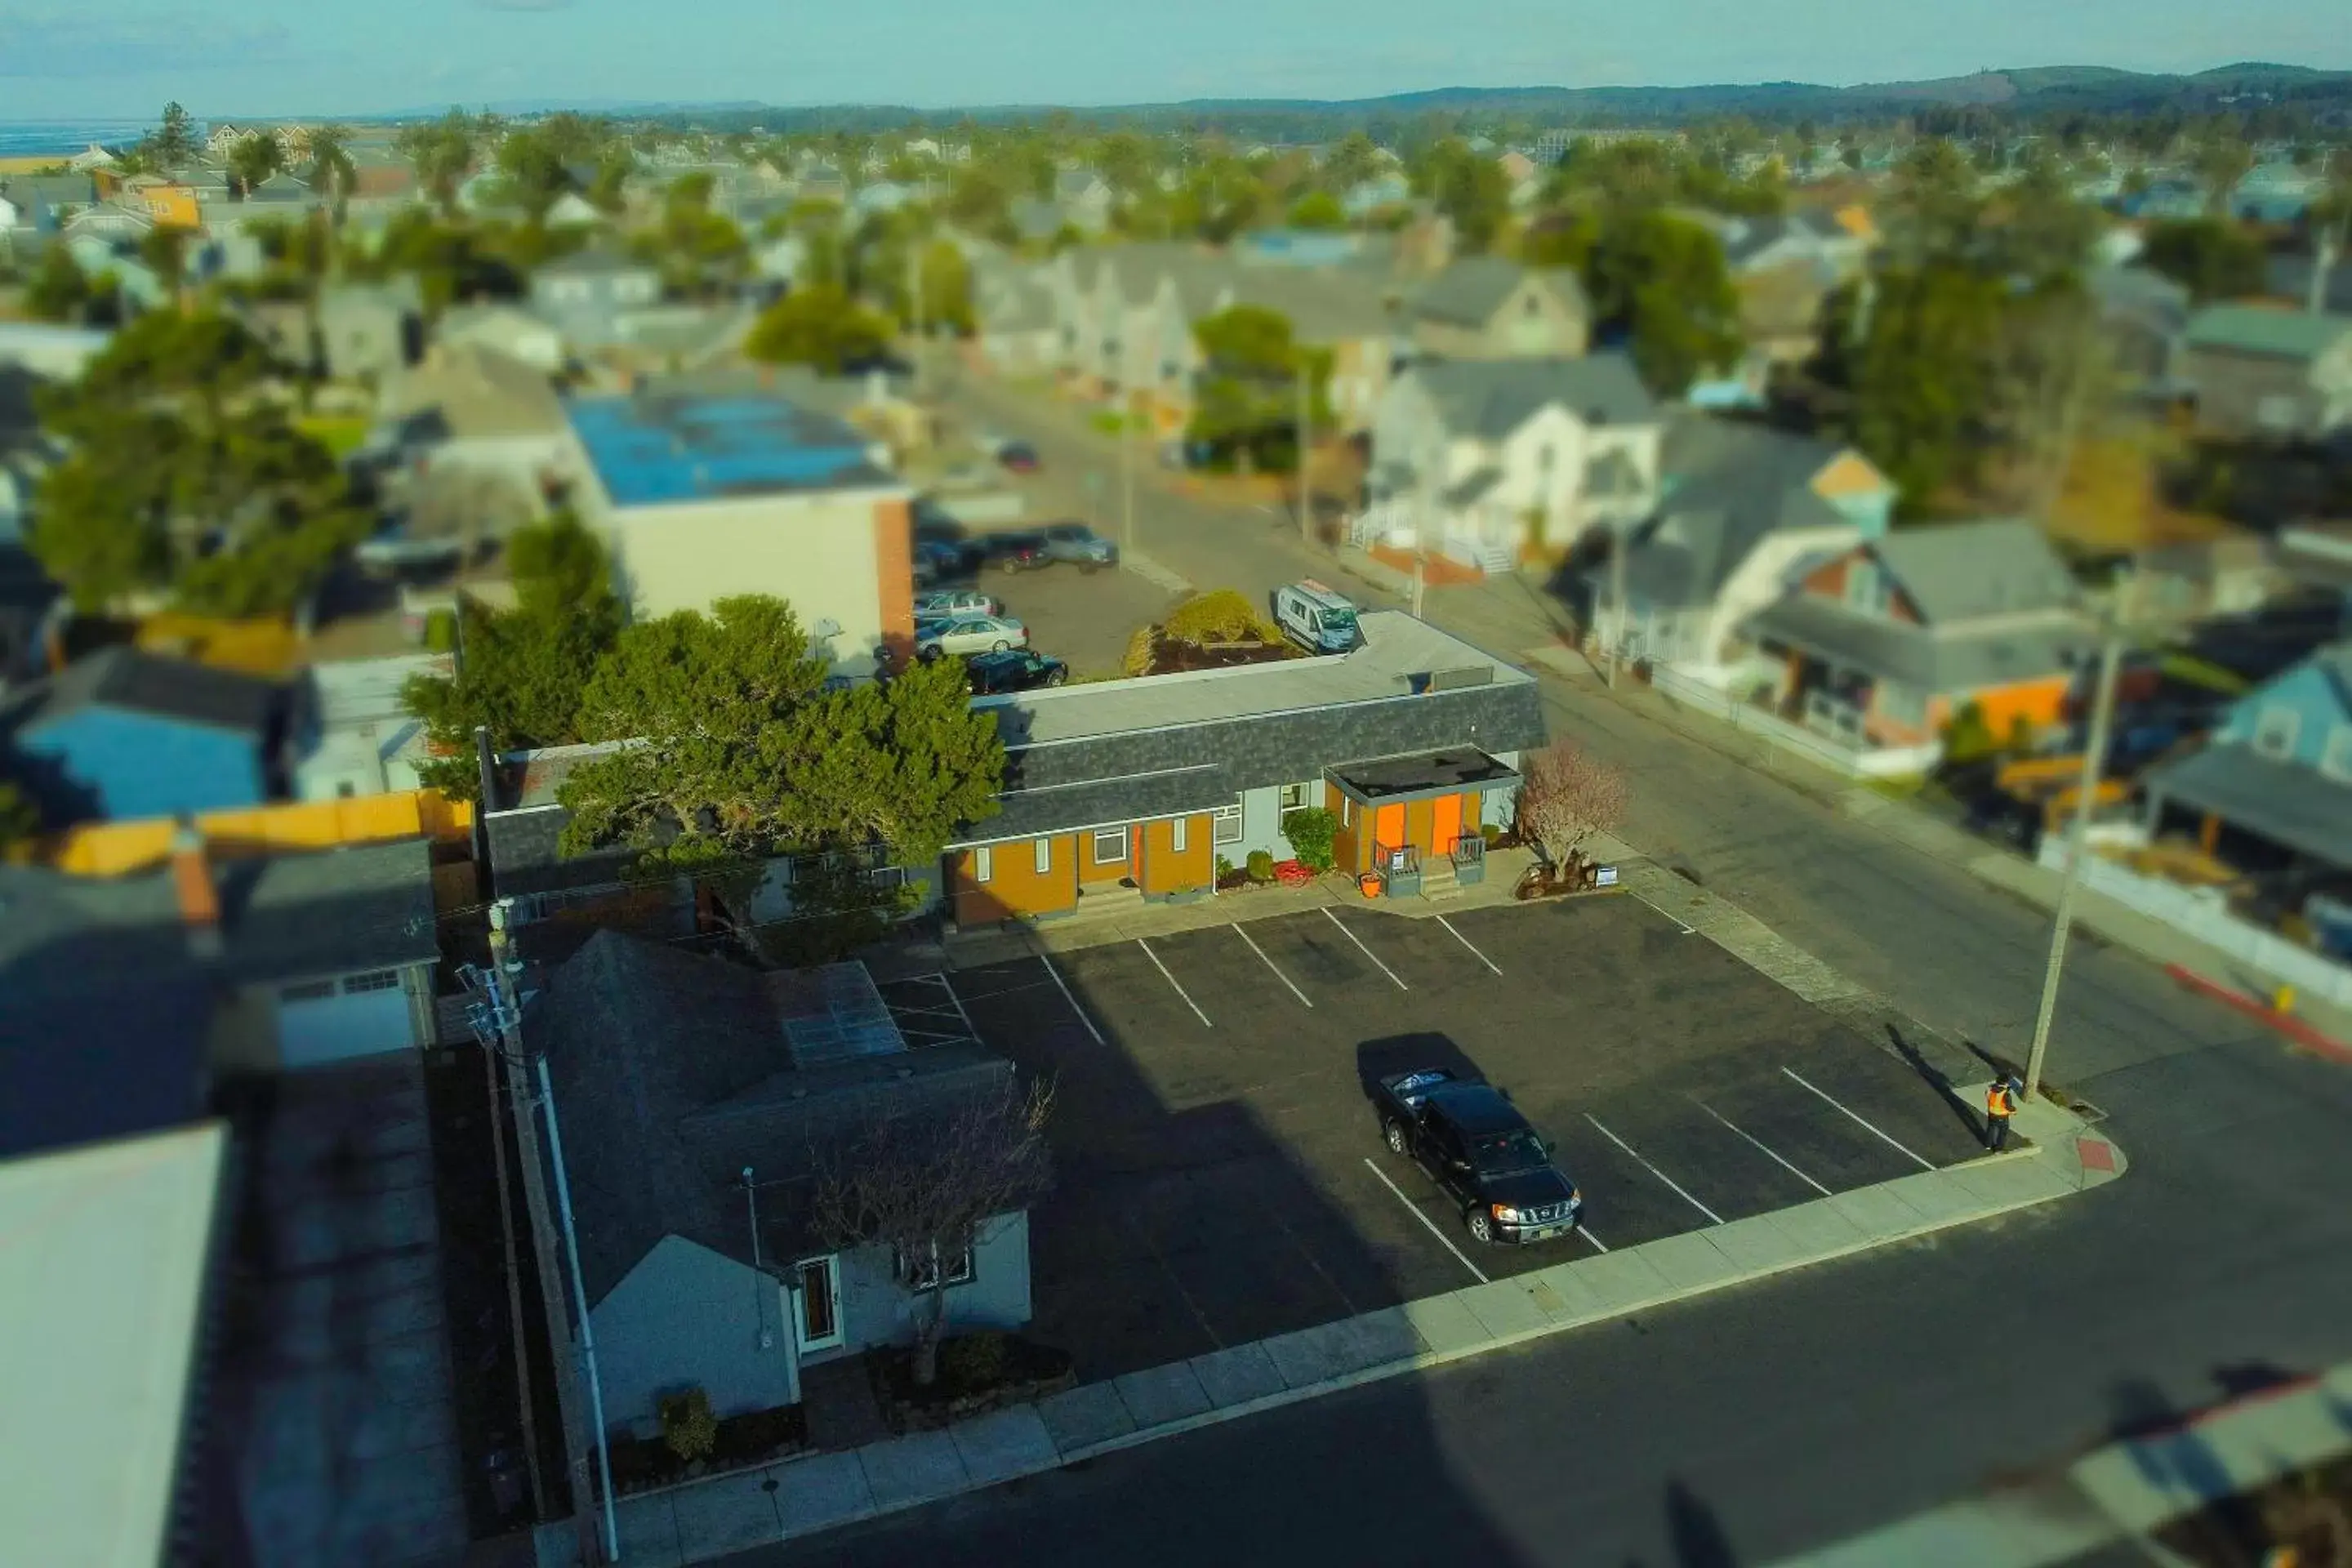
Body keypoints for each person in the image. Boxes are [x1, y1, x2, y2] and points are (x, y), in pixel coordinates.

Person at [1985, 1075, 2020, 1151]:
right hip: (2002, 1116)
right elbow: (2009, 1107)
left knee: (1991, 1129)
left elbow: (1989, 1097)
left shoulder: (1990, 1090)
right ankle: (1998, 1148)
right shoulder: (2006, 1094)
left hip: (1991, 1113)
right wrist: (2014, 1111)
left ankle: (1988, 1145)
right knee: (2002, 1132)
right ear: (2006, 1083)